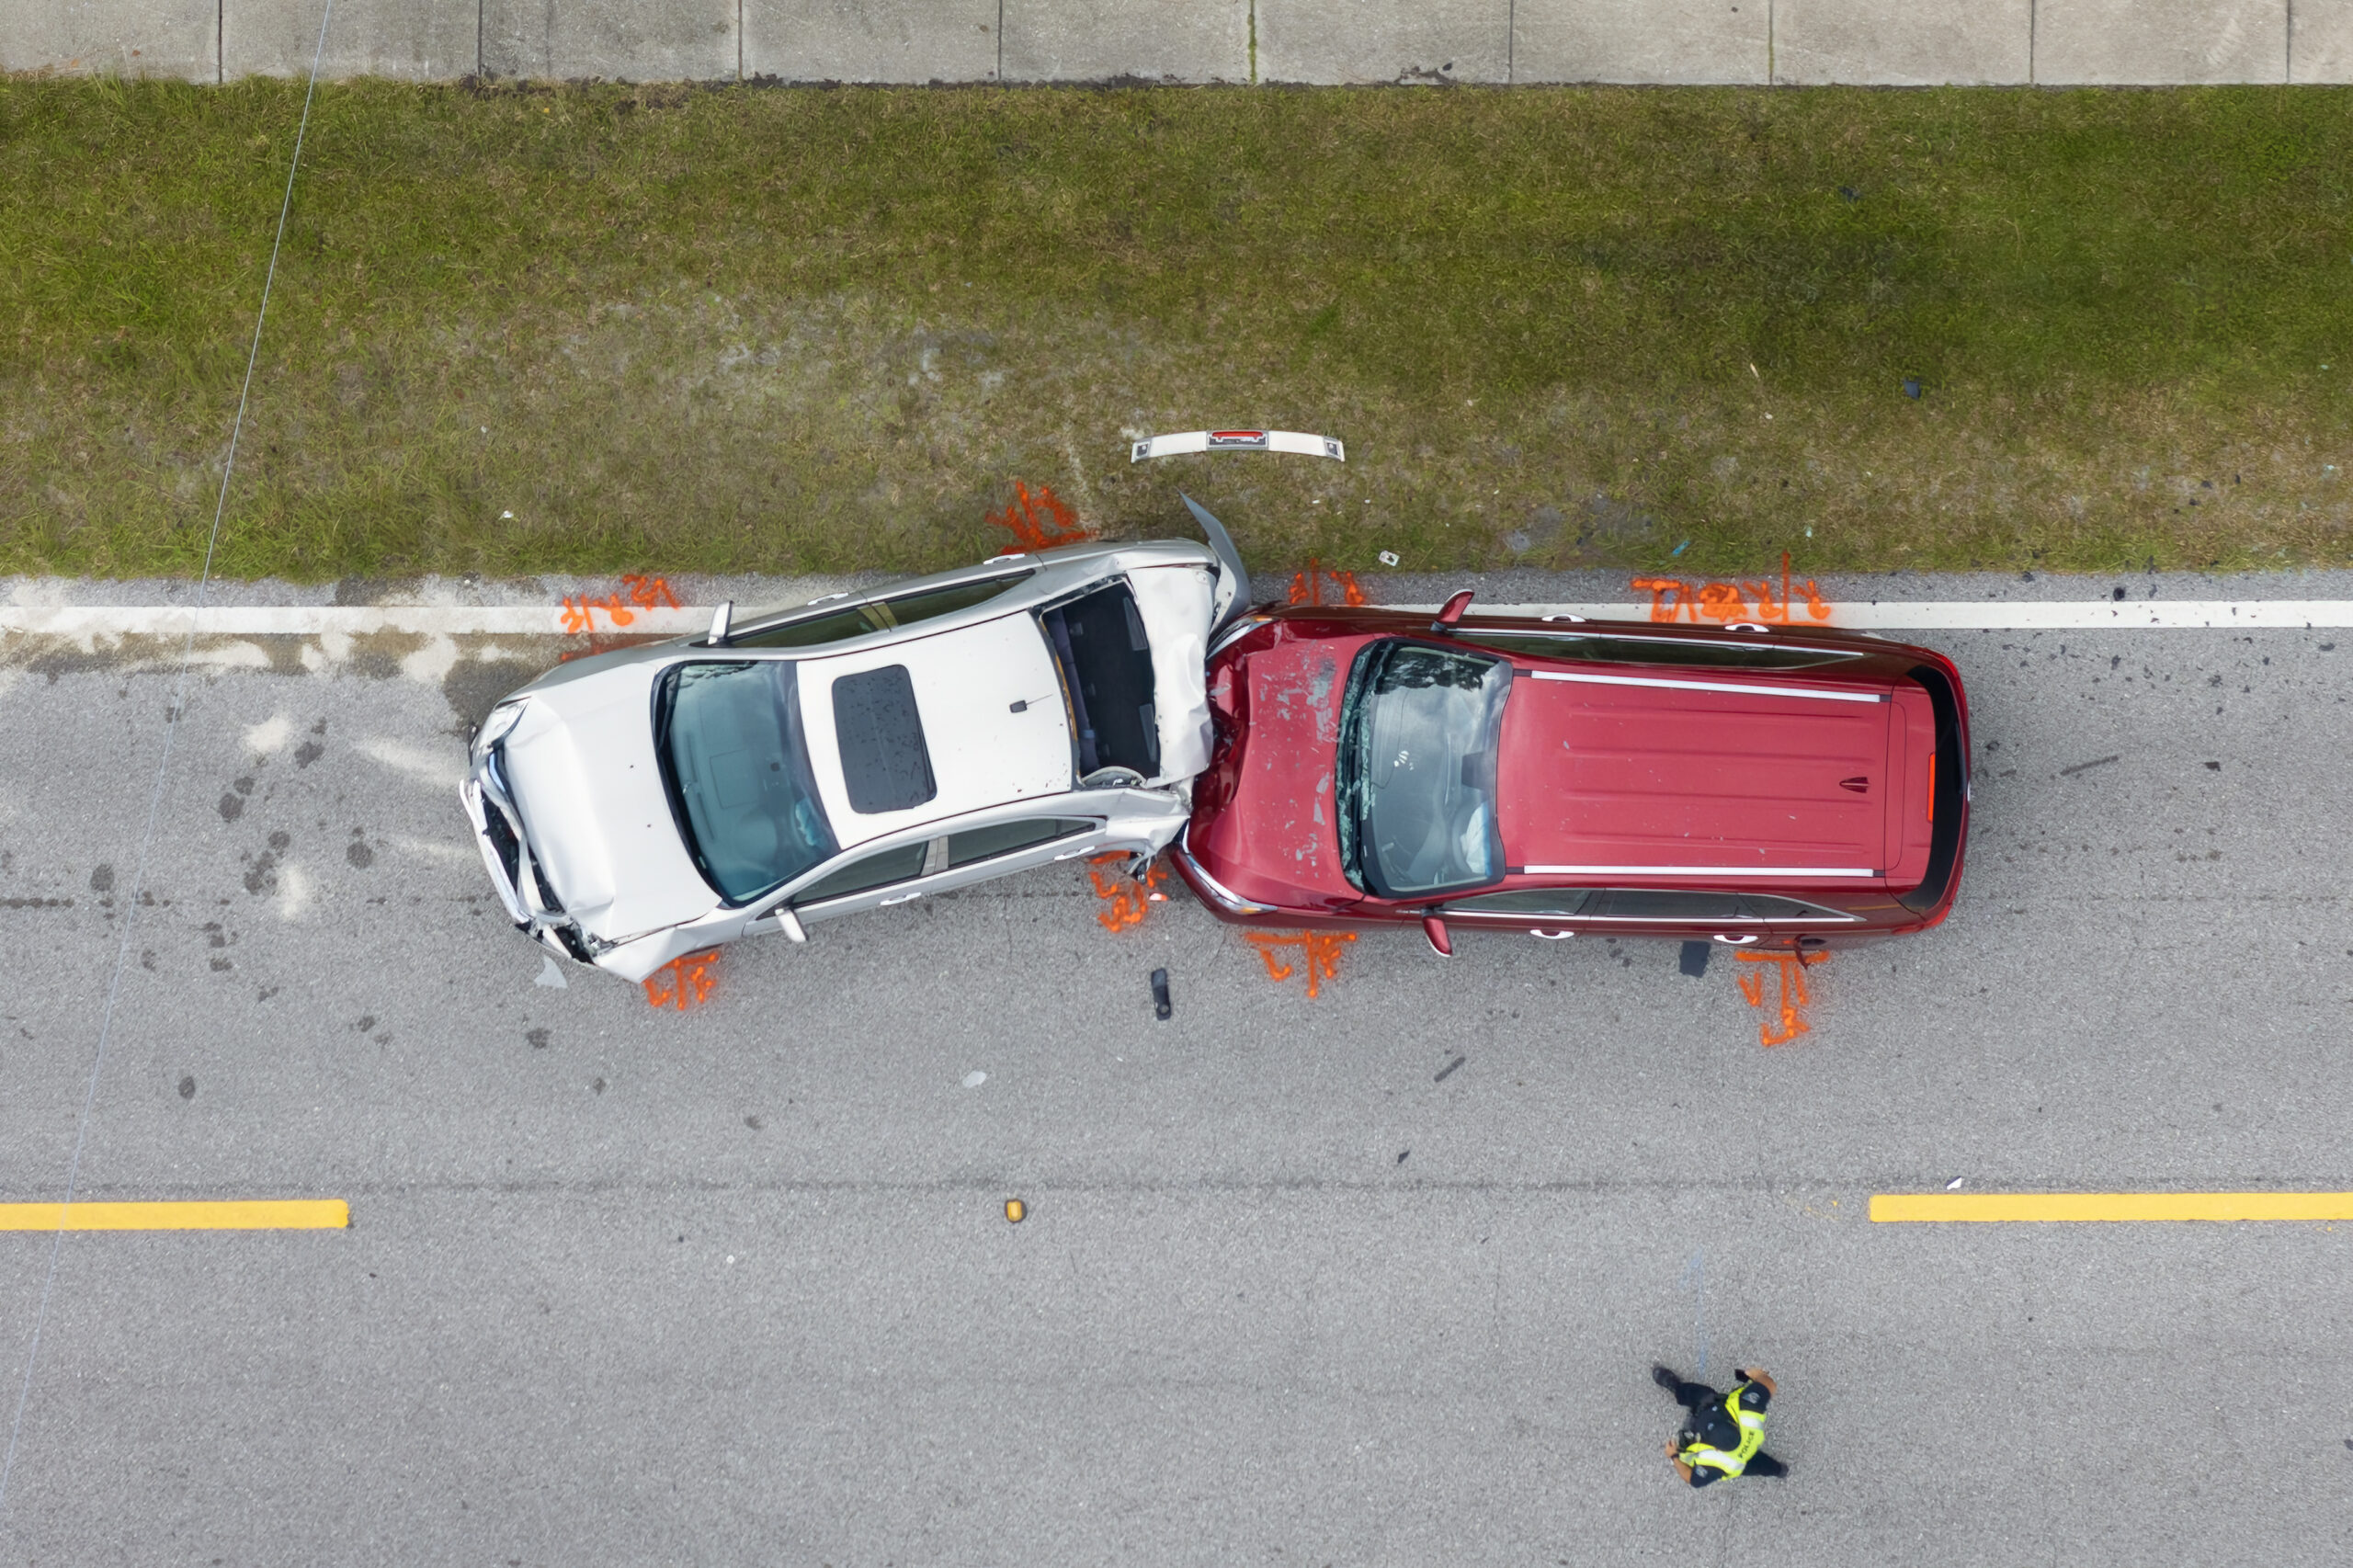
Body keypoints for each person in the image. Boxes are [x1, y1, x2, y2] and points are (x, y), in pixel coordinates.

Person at [1653, 1364, 1787, 1486]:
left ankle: (1677, 1387)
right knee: (1759, 1464)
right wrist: (1758, 1375)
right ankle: (1778, 1470)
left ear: (1714, 1448)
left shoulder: (1717, 1463)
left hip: (1737, 1460)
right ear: (1732, 1422)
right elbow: (1770, 1385)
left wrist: (1673, 1456)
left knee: (1702, 1396)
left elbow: (1692, 1479)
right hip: (1748, 1444)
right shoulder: (1747, 1408)